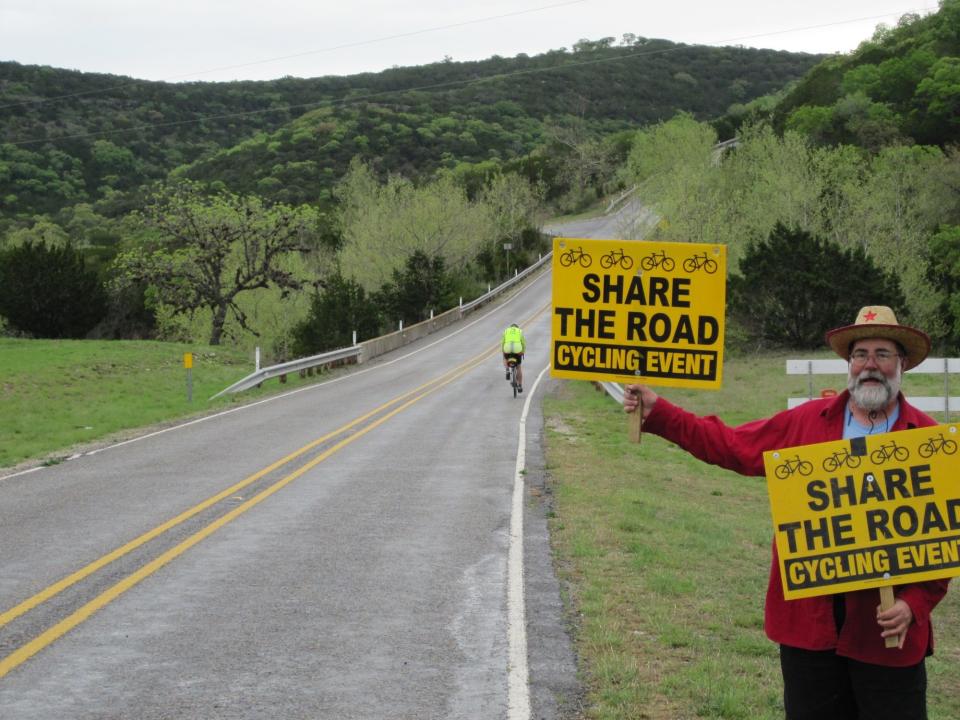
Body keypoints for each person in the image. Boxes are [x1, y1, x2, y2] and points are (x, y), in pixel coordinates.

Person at [623, 306, 949, 720]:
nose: (870, 365)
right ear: (848, 364)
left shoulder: (929, 442)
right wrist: (662, 412)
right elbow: (731, 445)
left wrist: (914, 603)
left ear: (902, 364)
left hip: (886, 634)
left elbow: (940, 542)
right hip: (809, 628)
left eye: (882, 353)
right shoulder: (807, 422)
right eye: (860, 354)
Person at [501, 323, 526, 393]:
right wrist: (523, 351)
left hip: (508, 348)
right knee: (518, 367)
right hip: (517, 349)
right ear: (517, 328)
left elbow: (502, 343)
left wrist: (503, 350)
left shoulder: (506, 331)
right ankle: (520, 385)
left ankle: (507, 370)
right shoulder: (519, 331)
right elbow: (523, 343)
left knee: (504, 357)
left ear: (511, 328)